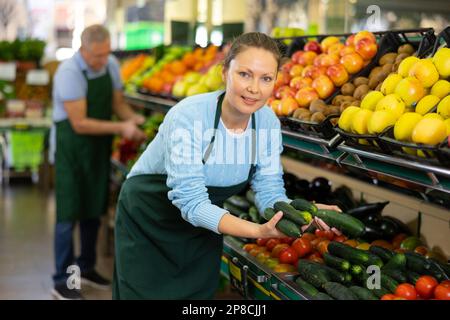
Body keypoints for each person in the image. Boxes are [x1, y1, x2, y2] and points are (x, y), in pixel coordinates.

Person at [112, 32, 340, 299]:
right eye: (244, 74)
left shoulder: (266, 123)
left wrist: (302, 213)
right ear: (224, 72)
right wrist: (259, 231)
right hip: (149, 220)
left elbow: (269, 192)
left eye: (266, 78)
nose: (254, 88)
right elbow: (192, 203)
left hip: (204, 229)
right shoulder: (189, 115)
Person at [51, 24, 146, 300]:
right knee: (68, 216)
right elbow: (79, 124)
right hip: (71, 152)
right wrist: (121, 128)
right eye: (96, 56)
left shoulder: (111, 64)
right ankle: (64, 281)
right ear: (83, 49)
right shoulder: (69, 73)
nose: (102, 61)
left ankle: (87, 267)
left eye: (106, 54)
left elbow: (117, 104)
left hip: (97, 150)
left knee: (94, 211)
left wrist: (132, 118)